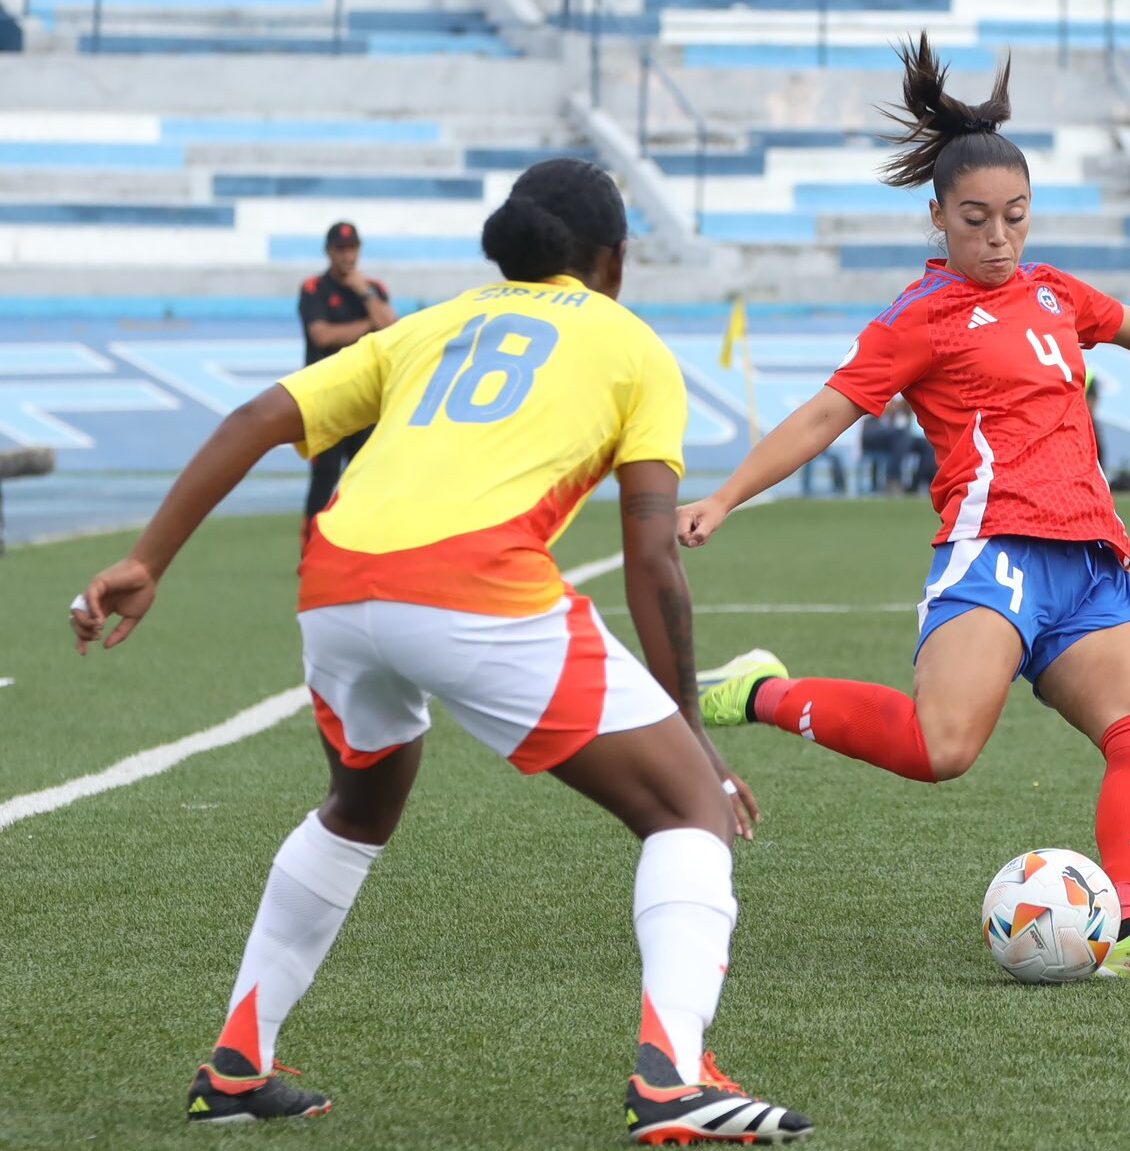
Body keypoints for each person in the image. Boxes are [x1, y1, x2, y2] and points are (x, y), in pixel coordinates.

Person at [67, 160, 813, 1144]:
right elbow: (649, 559)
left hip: (336, 581)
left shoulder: (430, 323)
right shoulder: (633, 347)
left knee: (361, 800)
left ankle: (238, 1060)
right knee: (683, 807)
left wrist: (145, 560)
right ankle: (672, 1078)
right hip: (472, 586)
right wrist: (694, 737)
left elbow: (255, 418)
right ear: (612, 258)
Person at [681, 35, 1130, 979]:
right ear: (938, 218)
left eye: (1015, 217)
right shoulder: (920, 316)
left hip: (1090, 562)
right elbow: (828, 411)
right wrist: (724, 495)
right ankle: (762, 688)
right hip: (994, 549)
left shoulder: (1053, 294)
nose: (998, 238)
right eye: (975, 220)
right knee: (940, 747)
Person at [298, 222, 396, 541]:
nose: (347, 255)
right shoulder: (314, 288)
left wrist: (363, 293)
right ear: (329, 252)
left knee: (365, 476)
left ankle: (361, 543)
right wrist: (367, 326)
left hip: (365, 400)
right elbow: (322, 335)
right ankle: (310, 546)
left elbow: (391, 329)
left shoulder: (373, 289)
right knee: (323, 477)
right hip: (325, 399)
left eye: (352, 248)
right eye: (341, 249)